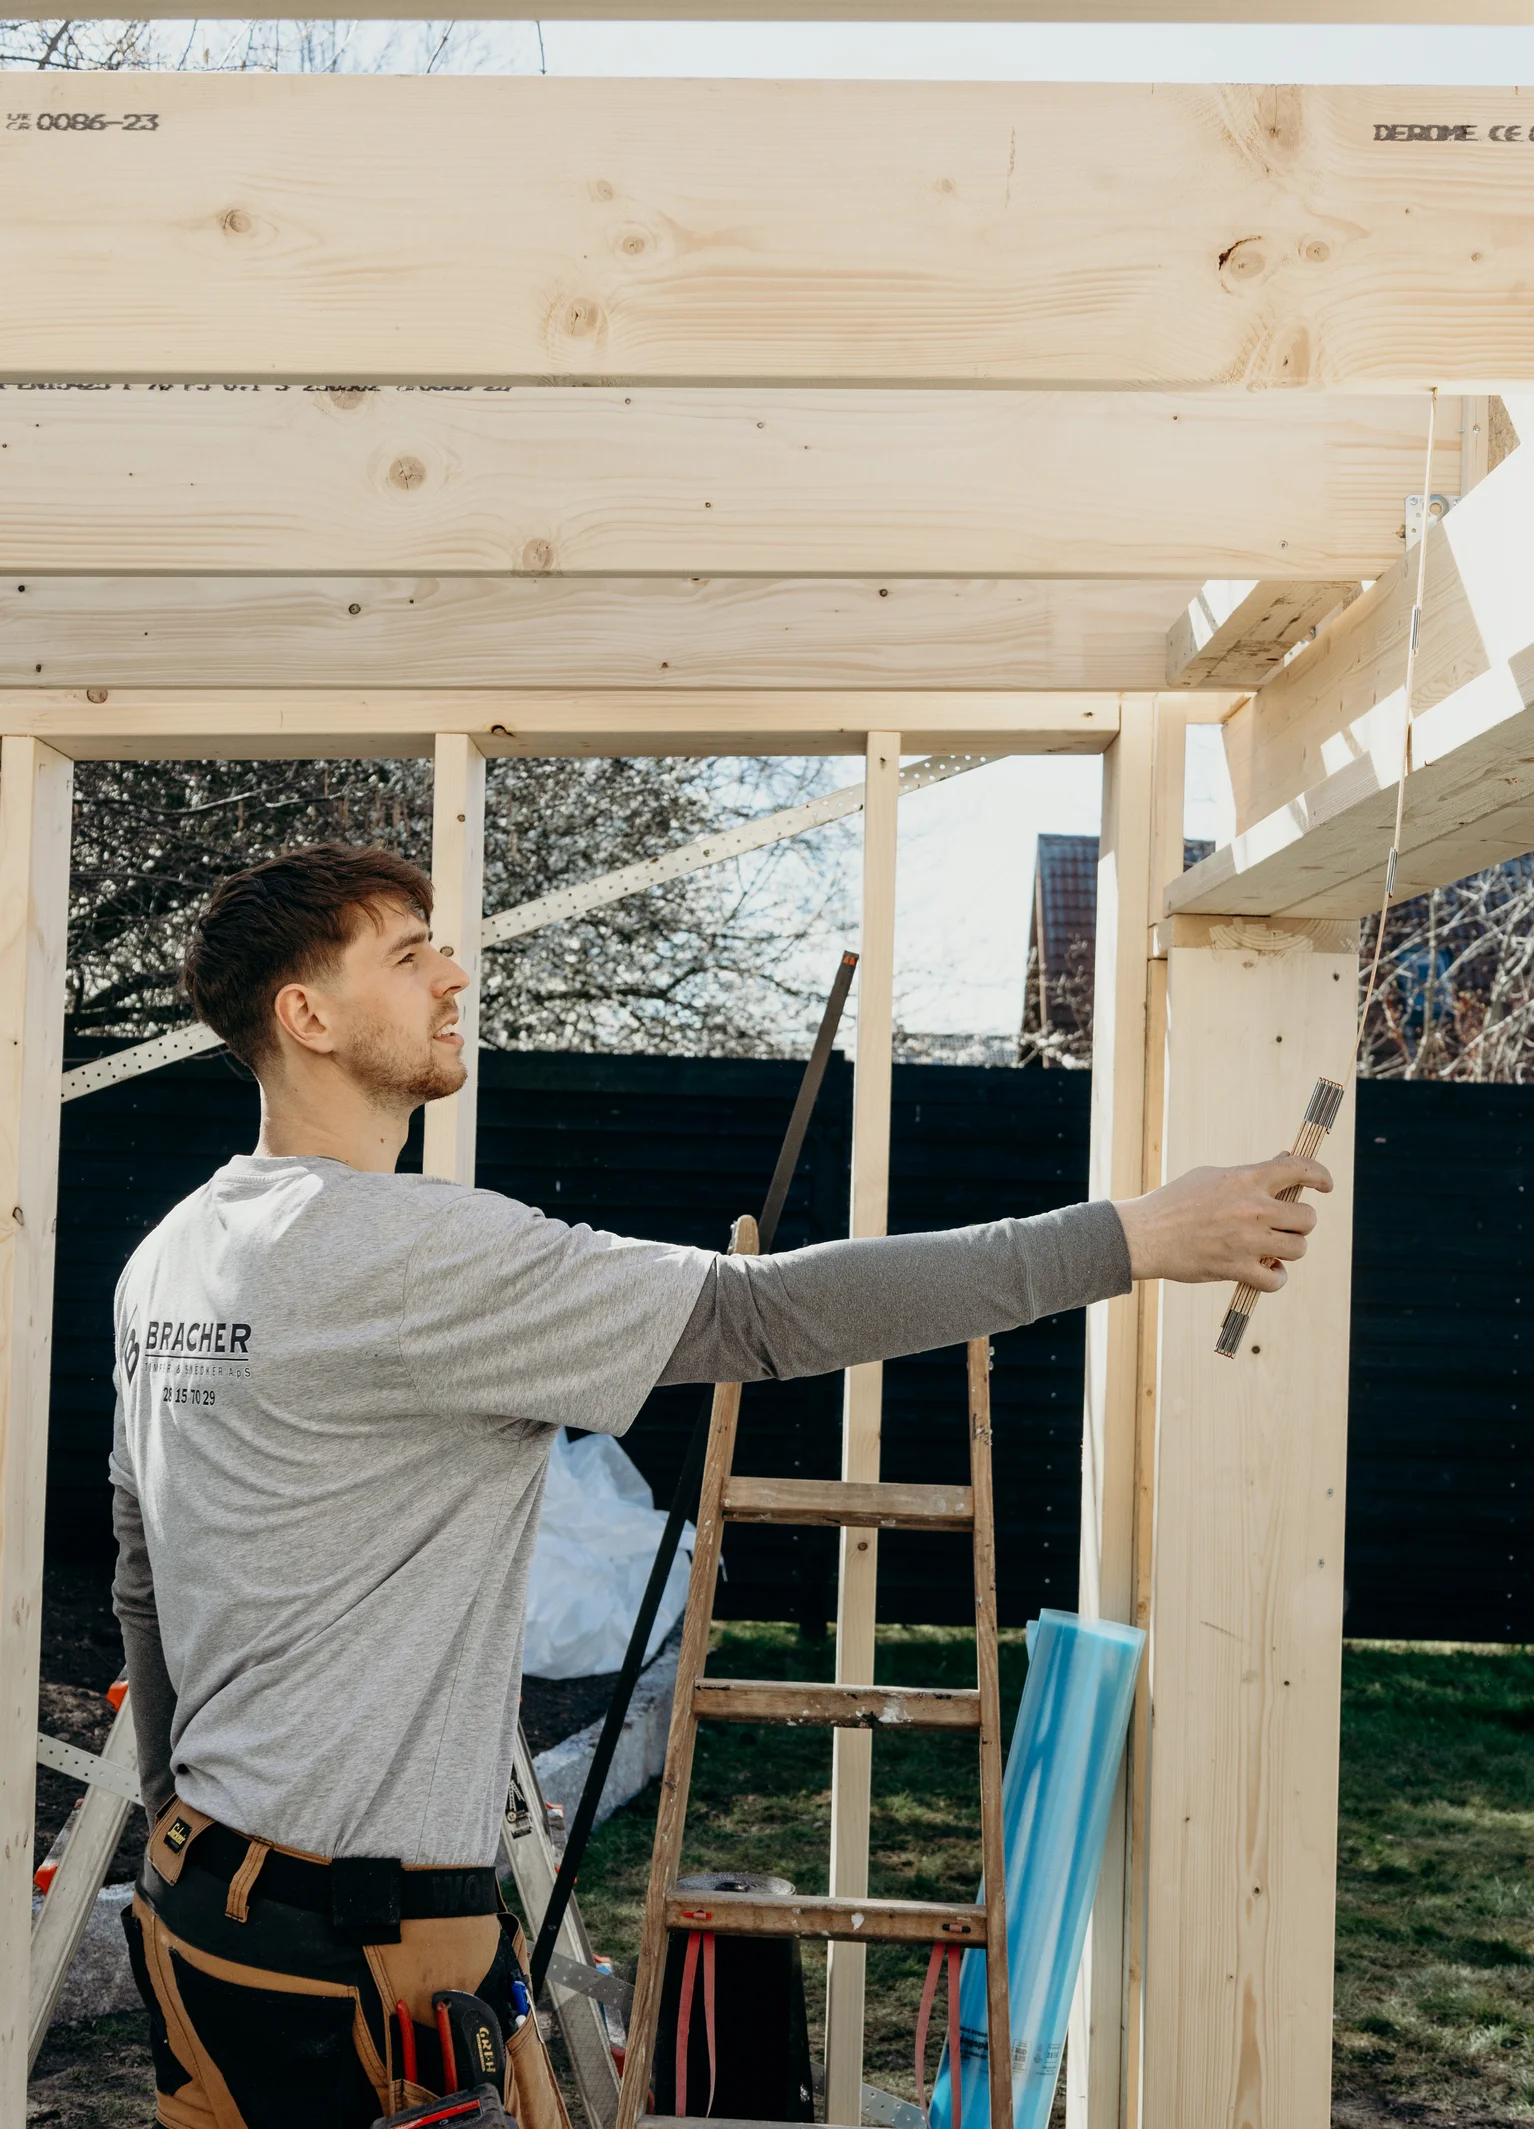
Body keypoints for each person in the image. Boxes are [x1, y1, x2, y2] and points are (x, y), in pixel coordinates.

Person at [110, 843, 1330, 2129]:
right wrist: (1134, 1236)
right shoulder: (409, 1249)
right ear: (305, 1015)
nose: (455, 973)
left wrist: (169, 1832)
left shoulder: (173, 1256)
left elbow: (144, 1570)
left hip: (202, 1910)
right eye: (409, 957)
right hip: (361, 1956)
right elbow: (765, 1317)